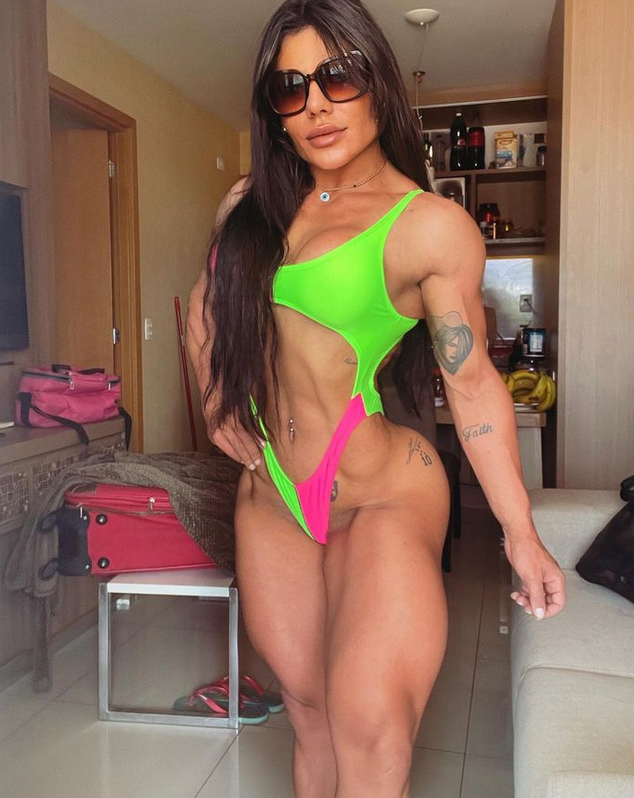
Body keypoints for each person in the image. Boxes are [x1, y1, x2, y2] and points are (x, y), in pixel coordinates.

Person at [186, 1, 566, 795]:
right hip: (271, 497)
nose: (316, 105)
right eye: (290, 87)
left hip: (379, 492)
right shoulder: (249, 206)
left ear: (376, 80)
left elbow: (470, 383)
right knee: (309, 713)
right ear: (273, 110)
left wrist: (519, 533)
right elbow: (203, 309)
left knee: (368, 726)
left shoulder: (426, 226)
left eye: (337, 76)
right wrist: (215, 398)